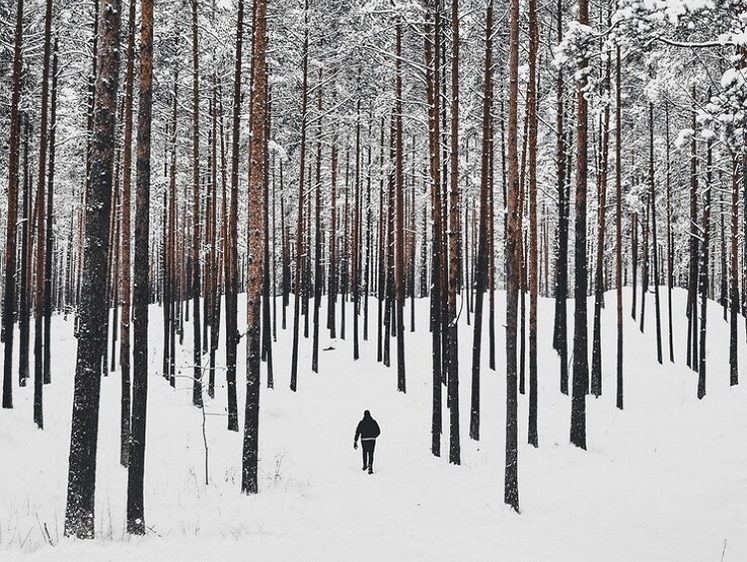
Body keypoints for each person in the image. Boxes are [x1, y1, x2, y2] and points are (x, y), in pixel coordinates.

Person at [353, 410, 380, 474]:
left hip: (364, 440)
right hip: (372, 440)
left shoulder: (361, 422)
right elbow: (378, 431)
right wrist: (374, 436)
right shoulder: (373, 422)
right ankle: (370, 467)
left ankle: (365, 465)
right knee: (371, 453)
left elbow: (357, 432)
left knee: (364, 452)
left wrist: (355, 441)